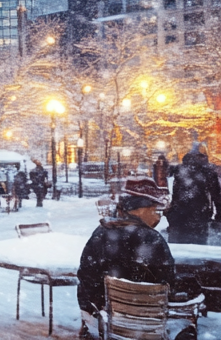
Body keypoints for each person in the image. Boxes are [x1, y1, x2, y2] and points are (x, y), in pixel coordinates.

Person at [77, 177, 191, 340]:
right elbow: (168, 282)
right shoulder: (152, 239)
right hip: (148, 324)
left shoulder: (101, 233)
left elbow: (86, 275)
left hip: (106, 320)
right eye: (155, 210)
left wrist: (96, 308)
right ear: (141, 210)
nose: (158, 216)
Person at [165, 143, 221, 244]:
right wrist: (218, 217)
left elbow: (175, 194)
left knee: (177, 246)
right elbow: (216, 196)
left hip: (179, 214)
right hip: (199, 214)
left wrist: (171, 213)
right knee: (197, 246)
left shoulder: (178, 170)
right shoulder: (208, 172)